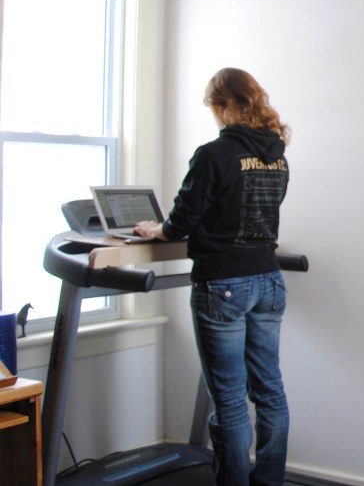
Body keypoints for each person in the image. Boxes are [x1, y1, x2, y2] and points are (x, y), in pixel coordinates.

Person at [135, 67, 291, 486]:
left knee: (230, 399)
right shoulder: (276, 156)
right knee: (270, 391)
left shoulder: (214, 154)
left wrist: (157, 230)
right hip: (268, 279)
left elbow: (182, 220)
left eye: (213, 107)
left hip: (223, 284)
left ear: (224, 105)